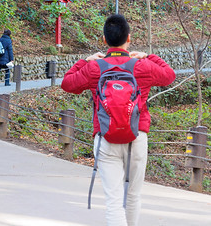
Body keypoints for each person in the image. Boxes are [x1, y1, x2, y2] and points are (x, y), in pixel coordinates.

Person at [61, 14, 175, 226]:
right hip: (136, 137)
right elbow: (169, 75)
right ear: (129, 38)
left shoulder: (95, 67)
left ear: (104, 40)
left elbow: (67, 83)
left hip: (106, 138)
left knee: (114, 200)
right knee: (133, 195)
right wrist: (149, 57)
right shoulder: (141, 66)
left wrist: (84, 61)